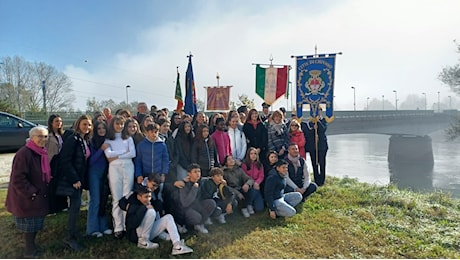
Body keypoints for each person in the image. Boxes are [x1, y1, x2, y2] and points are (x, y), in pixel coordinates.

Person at [6, 126, 51, 258]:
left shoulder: (41, 152)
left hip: (37, 195)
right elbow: (17, 178)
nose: (43, 139)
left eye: (45, 136)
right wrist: (32, 192)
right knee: (29, 226)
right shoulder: (24, 153)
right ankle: (29, 252)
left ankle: (32, 247)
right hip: (26, 197)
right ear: (31, 138)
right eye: (40, 136)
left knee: (35, 223)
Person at [118, 185, 193, 255]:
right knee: (151, 212)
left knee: (168, 217)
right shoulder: (133, 205)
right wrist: (143, 209)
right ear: (139, 197)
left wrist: (152, 206)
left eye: (149, 197)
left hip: (147, 232)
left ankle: (177, 245)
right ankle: (143, 242)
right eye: (145, 197)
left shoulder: (149, 203)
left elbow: (158, 205)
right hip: (136, 236)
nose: (148, 199)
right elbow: (132, 224)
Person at [57, 114, 92, 251]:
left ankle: (73, 233)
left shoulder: (83, 140)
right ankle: (70, 238)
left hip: (79, 180)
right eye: (84, 124)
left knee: (75, 208)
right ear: (78, 125)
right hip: (72, 181)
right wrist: (74, 179)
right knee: (74, 209)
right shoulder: (73, 139)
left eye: (89, 125)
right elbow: (65, 160)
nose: (87, 127)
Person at [103, 115, 136, 239]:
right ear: (113, 125)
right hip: (114, 169)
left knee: (127, 196)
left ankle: (127, 225)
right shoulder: (108, 140)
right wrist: (124, 153)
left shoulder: (128, 139)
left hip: (128, 167)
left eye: (122, 124)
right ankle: (118, 227)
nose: (120, 126)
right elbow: (108, 155)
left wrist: (116, 155)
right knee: (117, 198)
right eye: (117, 124)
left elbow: (132, 153)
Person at [169, 163, 219, 234]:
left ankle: (199, 224)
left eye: (199, 171)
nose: (198, 174)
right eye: (195, 172)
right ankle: (185, 225)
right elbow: (185, 203)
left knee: (211, 203)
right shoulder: (184, 184)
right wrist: (194, 188)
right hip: (185, 210)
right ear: (189, 174)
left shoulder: (201, 182)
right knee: (196, 217)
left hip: (196, 206)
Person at [86, 121, 112, 238]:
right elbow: (91, 161)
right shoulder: (92, 142)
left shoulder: (108, 141)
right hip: (94, 173)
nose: (102, 131)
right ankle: (92, 229)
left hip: (105, 174)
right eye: (99, 129)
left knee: (103, 200)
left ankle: (103, 226)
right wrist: (101, 149)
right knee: (95, 200)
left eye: (103, 128)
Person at [134, 123, 169, 202]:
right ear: (147, 132)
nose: (154, 134)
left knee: (159, 194)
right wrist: (139, 175)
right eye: (152, 132)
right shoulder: (141, 145)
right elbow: (138, 161)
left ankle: (159, 212)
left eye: (156, 132)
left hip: (158, 174)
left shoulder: (162, 145)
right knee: (148, 195)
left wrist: (164, 173)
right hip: (146, 175)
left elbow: (165, 159)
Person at [45, 114, 69, 214]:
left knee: (61, 184)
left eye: (60, 121)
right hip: (51, 162)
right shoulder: (48, 135)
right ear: (51, 123)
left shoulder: (62, 135)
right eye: (56, 121)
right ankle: (52, 208)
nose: (59, 123)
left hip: (61, 163)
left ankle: (62, 205)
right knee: (52, 186)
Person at [303, 114, 329, 186]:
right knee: (314, 164)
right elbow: (307, 133)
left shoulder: (323, 121)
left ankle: (322, 180)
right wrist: (313, 129)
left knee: (322, 163)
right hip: (312, 147)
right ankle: (316, 180)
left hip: (322, 147)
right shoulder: (308, 123)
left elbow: (323, 129)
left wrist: (318, 122)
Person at [241, 147, 265, 214]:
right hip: (248, 186)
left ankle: (252, 203)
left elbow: (261, 176)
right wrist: (250, 183)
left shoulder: (260, 164)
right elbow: (243, 176)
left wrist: (257, 183)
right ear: (248, 155)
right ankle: (248, 204)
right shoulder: (244, 164)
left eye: (255, 153)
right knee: (252, 190)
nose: (253, 155)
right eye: (251, 154)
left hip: (256, 186)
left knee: (259, 208)